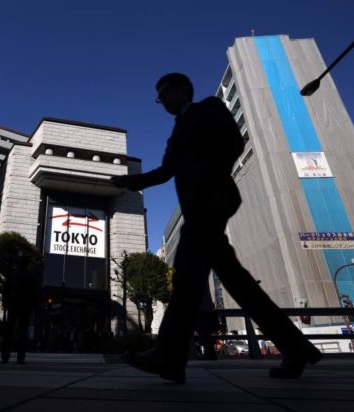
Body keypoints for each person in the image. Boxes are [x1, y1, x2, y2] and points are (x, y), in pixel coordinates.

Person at [112, 73, 321, 383]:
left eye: (164, 93)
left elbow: (235, 142)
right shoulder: (176, 131)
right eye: (159, 97)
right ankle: (295, 347)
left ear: (182, 89)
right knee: (232, 283)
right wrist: (130, 181)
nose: (162, 101)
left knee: (187, 280)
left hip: (212, 203)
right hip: (198, 210)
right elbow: (166, 171)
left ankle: (169, 358)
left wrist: (209, 174)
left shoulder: (209, 107)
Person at [1, 253, 38, 364]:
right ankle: (20, 357)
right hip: (25, 306)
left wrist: (5, 302)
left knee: (9, 329)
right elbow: (34, 293)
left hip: (13, 304)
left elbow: (5, 289)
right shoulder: (30, 276)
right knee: (22, 331)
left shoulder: (12, 274)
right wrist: (32, 305)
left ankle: (5, 356)